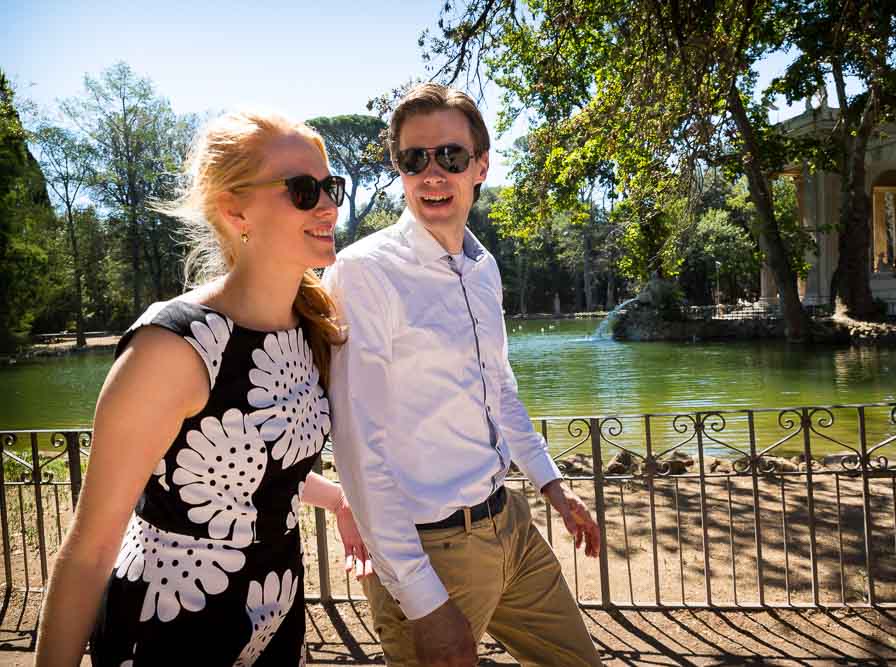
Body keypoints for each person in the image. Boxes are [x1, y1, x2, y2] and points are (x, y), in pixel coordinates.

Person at [36, 110, 371, 666]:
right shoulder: (172, 347)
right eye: (303, 190)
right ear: (235, 209)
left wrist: (336, 499)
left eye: (330, 187)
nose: (329, 206)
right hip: (172, 622)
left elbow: (251, 467)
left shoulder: (308, 328)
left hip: (272, 616)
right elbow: (89, 551)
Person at [323, 83, 603, 667]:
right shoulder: (366, 272)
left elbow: (498, 387)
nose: (432, 173)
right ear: (398, 169)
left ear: (480, 165)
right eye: (413, 159)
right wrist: (425, 601)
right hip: (431, 550)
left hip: (510, 524)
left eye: (450, 156)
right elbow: (355, 444)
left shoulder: (482, 265)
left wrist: (552, 486)